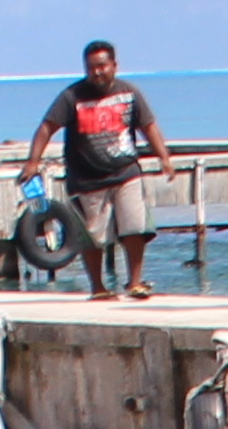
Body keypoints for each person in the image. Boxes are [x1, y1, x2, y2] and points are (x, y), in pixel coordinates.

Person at [25, 41, 164, 300]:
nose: (97, 72)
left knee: (135, 226)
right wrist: (33, 161)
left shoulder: (129, 93)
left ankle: (134, 282)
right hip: (87, 178)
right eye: (91, 68)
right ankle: (98, 287)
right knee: (92, 235)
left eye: (102, 66)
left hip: (126, 172)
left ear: (114, 65)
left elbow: (149, 126)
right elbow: (46, 127)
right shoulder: (72, 97)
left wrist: (164, 157)